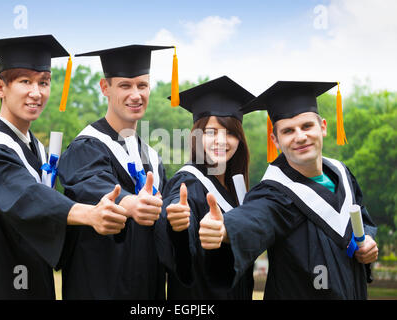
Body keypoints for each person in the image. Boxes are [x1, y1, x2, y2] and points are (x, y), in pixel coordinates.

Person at [0, 35, 128, 299]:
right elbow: (27, 198)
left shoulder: (34, 148)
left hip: (32, 282)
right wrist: (89, 214)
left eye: (43, 82)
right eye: (25, 81)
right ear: (0, 87)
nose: (36, 92)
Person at [199, 81, 378, 299]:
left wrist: (367, 241)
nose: (300, 137)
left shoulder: (343, 174)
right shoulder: (274, 193)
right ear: (275, 140)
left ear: (323, 127)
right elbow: (255, 218)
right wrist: (225, 229)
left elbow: (363, 218)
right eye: (288, 131)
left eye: (306, 126)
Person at [58, 44, 174, 299]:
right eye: (125, 85)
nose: (136, 95)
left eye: (142, 86)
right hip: (99, 288)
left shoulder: (151, 157)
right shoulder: (87, 146)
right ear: (105, 88)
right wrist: (130, 203)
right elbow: (90, 184)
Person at [156, 76, 256, 299]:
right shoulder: (187, 183)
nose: (222, 140)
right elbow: (178, 237)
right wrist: (177, 226)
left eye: (230, 132)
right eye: (211, 132)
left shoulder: (239, 189)